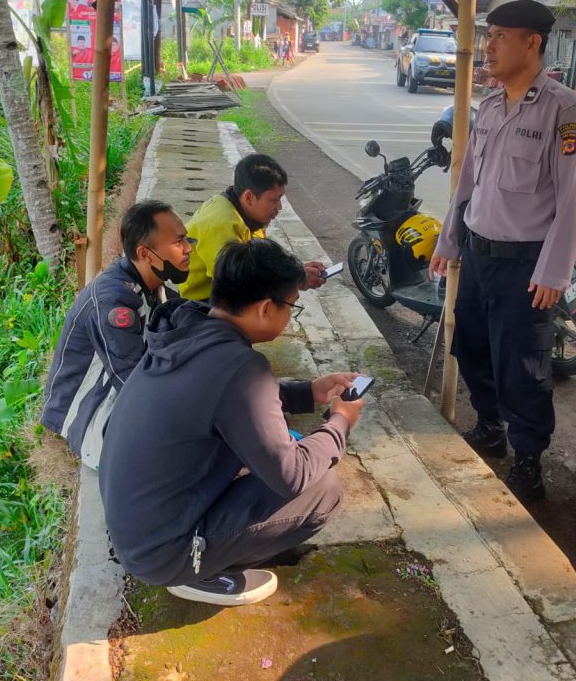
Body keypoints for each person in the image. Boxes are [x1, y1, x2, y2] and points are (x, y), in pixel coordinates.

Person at [99, 239, 364, 606]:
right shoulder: (240, 368)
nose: (290, 317)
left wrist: (308, 392)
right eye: (291, 307)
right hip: (164, 553)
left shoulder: (185, 328)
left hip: (136, 528)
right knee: (324, 487)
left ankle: (200, 555)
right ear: (266, 308)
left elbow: (223, 397)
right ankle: (199, 572)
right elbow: (294, 474)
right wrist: (340, 421)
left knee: (270, 451)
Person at [429, 0, 576, 502]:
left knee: (521, 363)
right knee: (472, 345)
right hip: (478, 254)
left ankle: (527, 460)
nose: (489, 45)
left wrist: (555, 271)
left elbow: (573, 197)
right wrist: (449, 239)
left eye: (500, 35)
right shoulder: (492, 106)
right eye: (489, 34)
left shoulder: (563, 109)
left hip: (526, 264)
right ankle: (489, 428)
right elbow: (468, 183)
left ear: (531, 43)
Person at [41, 200, 192, 469]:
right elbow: (133, 384)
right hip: (89, 414)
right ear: (146, 254)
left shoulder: (153, 285)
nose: (188, 249)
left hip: (119, 393)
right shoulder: (115, 303)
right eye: (179, 242)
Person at [179, 153, 324, 301]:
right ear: (249, 197)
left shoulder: (248, 213)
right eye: (273, 200)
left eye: (280, 199)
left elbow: (257, 260)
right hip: (202, 304)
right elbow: (239, 282)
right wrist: (294, 280)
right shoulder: (222, 224)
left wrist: (295, 270)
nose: (279, 207)